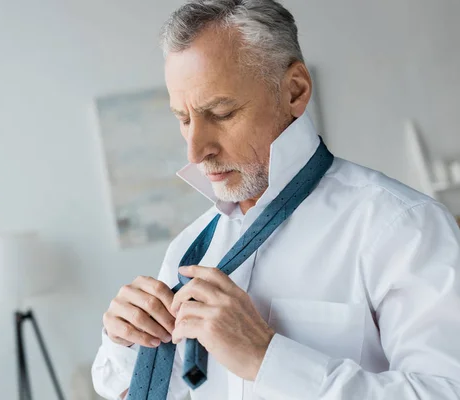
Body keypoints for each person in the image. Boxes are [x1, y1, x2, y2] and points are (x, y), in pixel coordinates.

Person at [91, 1, 460, 399]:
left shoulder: (402, 226)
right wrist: (125, 341)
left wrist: (266, 358)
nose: (195, 152)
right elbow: (145, 390)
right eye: (184, 119)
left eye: (221, 112)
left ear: (295, 91)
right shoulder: (190, 251)